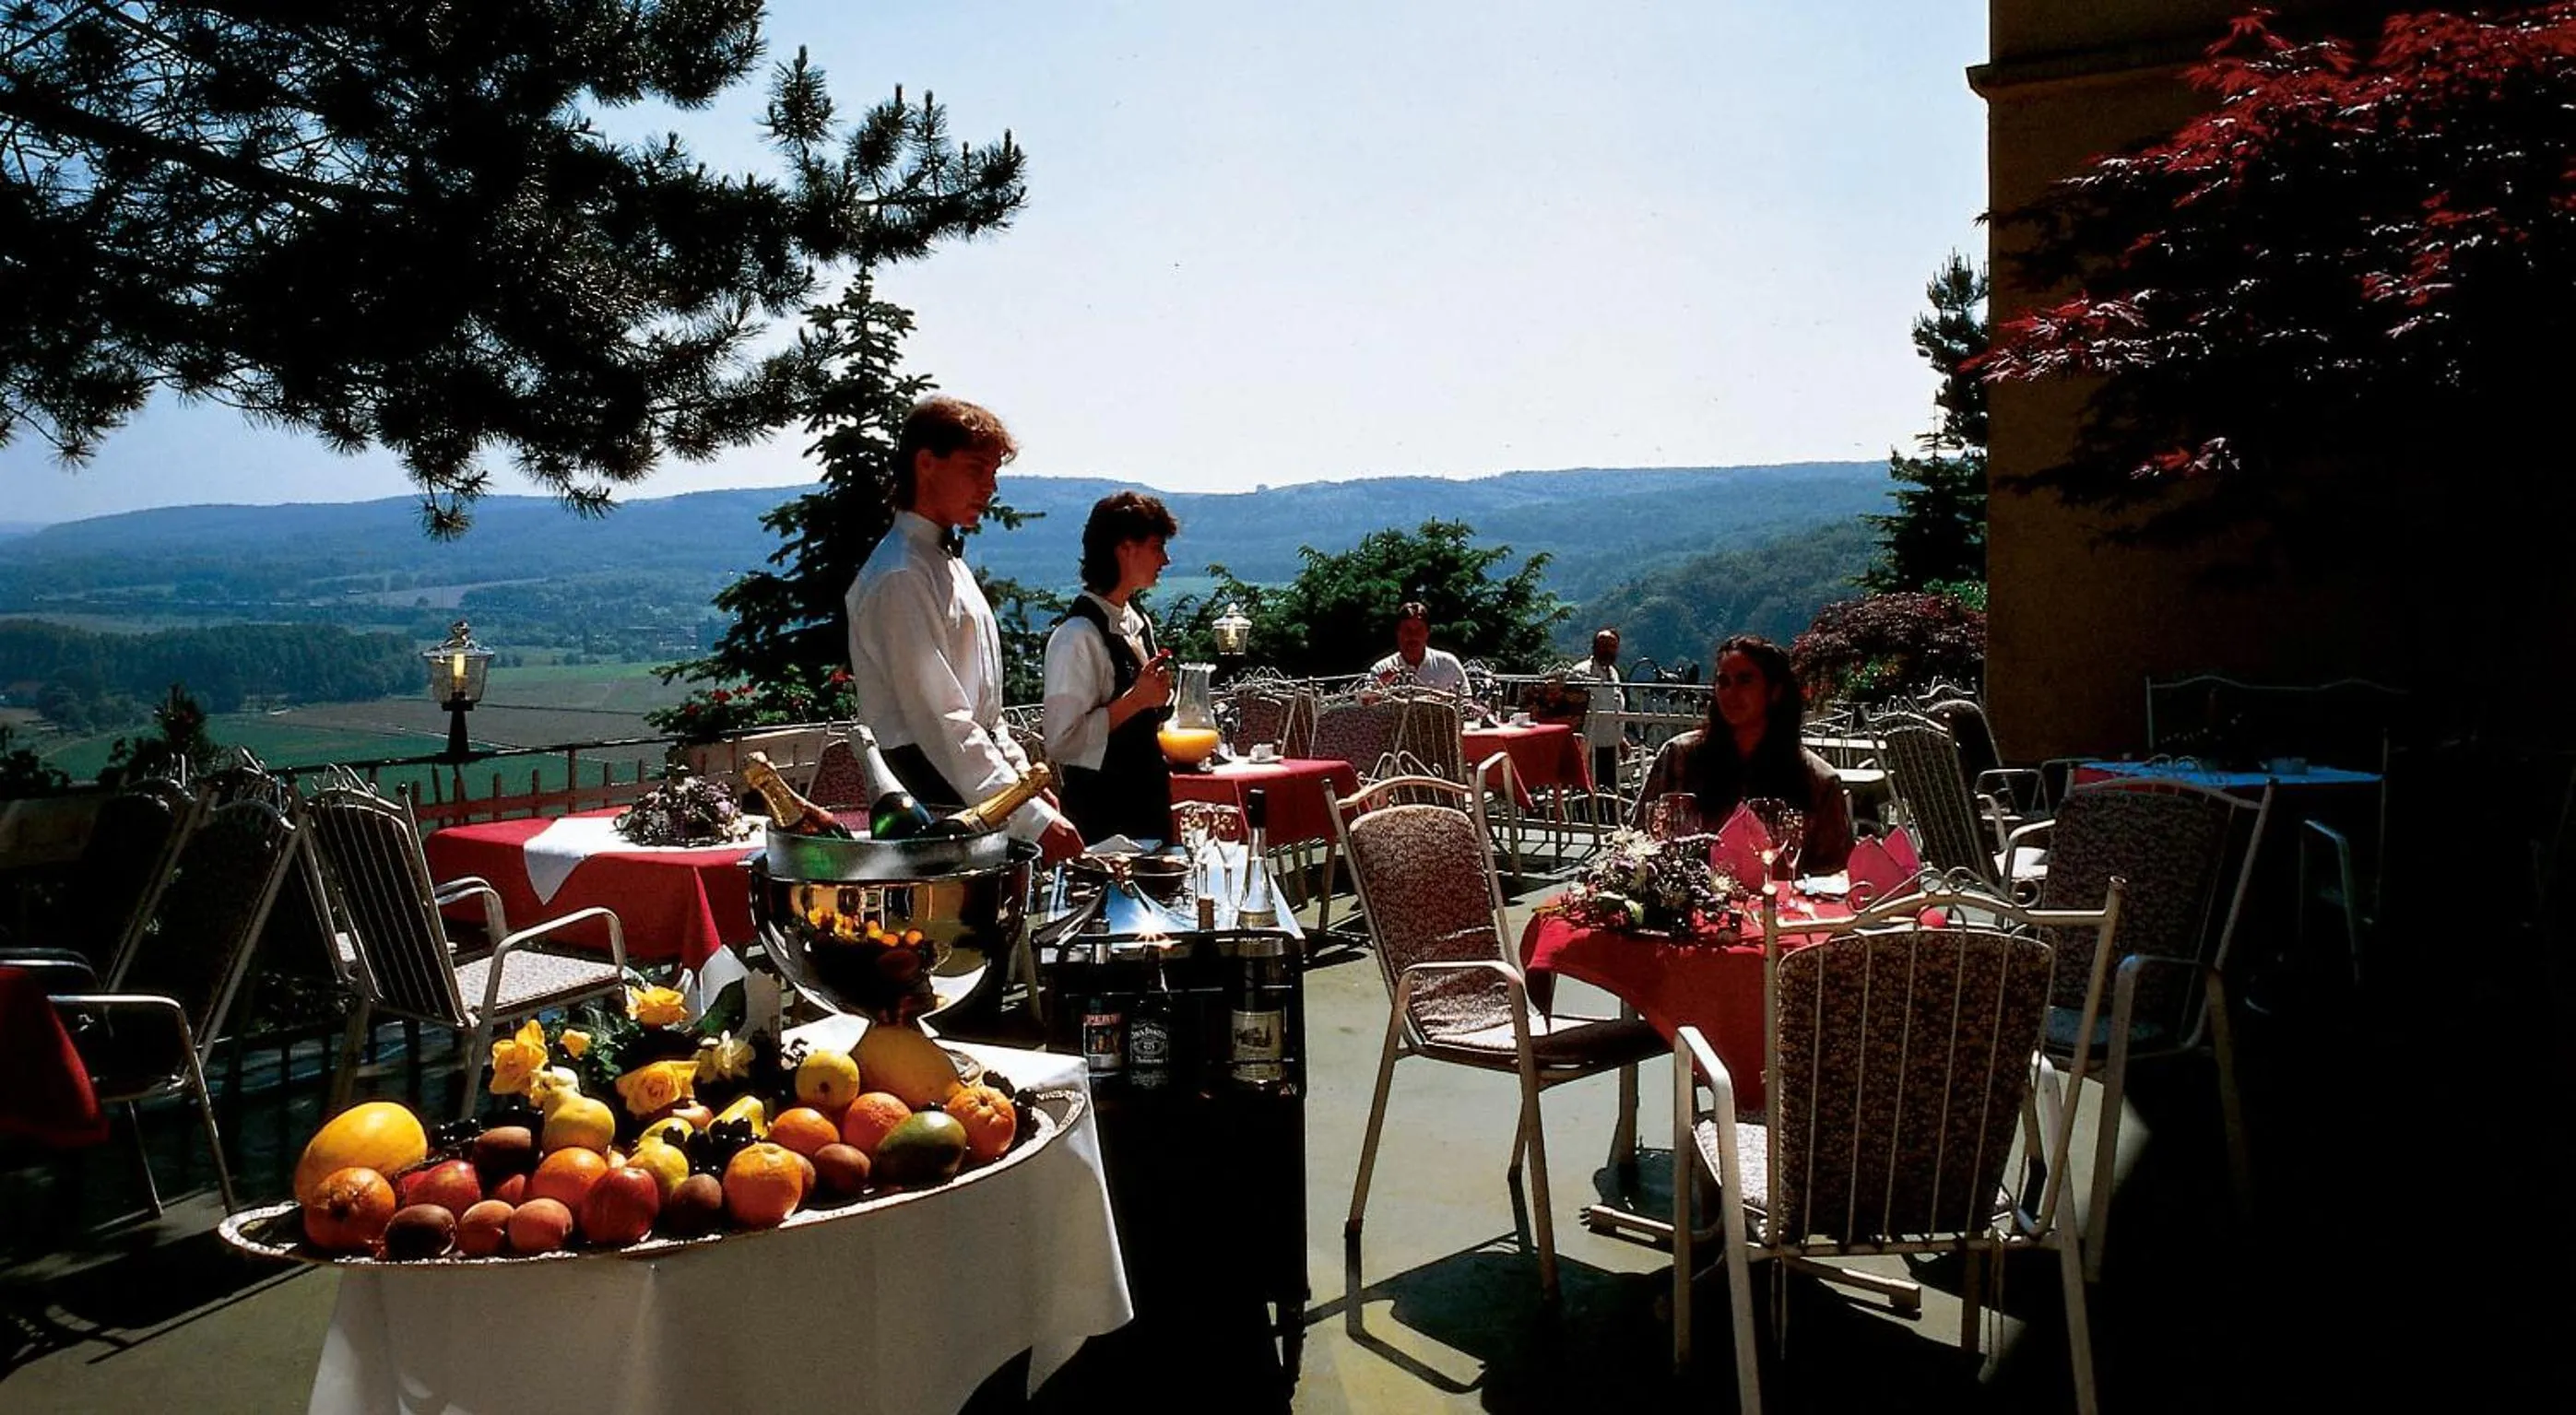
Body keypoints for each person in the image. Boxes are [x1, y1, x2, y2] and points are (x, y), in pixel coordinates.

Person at [846, 396, 1081, 861]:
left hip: (967, 786)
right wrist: (1025, 816)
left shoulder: (942, 563)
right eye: (976, 469)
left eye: (994, 473)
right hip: (931, 800)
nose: (990, 487)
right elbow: (942, 722)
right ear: (927, 463)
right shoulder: (900, 575)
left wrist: (1024, 787)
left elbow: (986, 715)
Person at [1630, 633, 1852, 874]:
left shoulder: (1817, 780)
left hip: (1781, 907)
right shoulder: (1679, 757)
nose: (1730, 692)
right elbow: (1638, 840)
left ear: (1775, 691)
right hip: (1689, 903)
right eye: (1723, 682)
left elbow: (1836, 870)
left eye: (1744, 681)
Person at [1042, 492, 1181, 844]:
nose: (1165, 559)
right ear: (1125, 548)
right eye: (1156, 546)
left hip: (1149, 805)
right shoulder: (1076, 637)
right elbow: (1061, 742)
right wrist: (1135, 701)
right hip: (1103, 818)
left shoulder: (1138, 622)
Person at [1567, 628, 1626, 797]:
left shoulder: (1613, 672)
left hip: (1610, 745)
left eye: (1613, 646)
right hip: (1589, 744)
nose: (1608, 650)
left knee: (1610, 794)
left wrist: (1621, 739)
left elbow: (1614, 705)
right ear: (1594, 647)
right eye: (1604, 645)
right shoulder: (1581, 673)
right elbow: (1574, 709)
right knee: (1587, 795)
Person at [1368, 602, 1468, 694]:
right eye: (1407, 630)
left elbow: (1467, 703)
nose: (1413, 636)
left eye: (1419, 630)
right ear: (1398, 632)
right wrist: (1379, 685)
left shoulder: (1448, 665)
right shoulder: (1381, 669)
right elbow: (1361, 705)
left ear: (1427, 633)